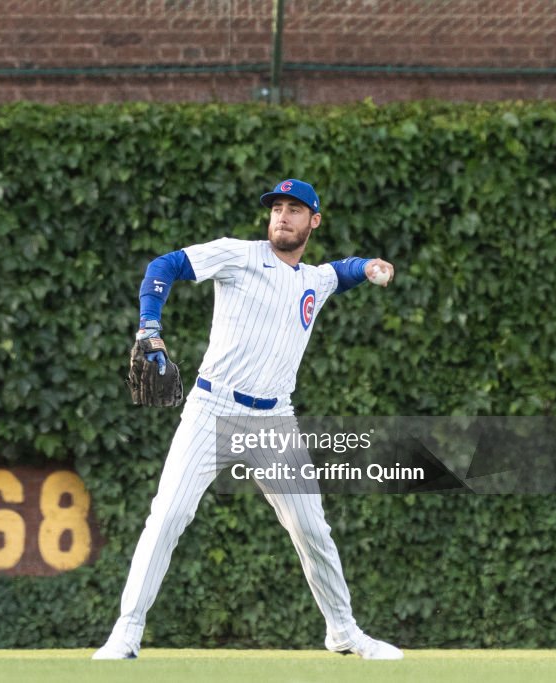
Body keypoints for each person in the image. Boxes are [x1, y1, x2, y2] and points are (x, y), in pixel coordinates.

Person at [92, 178, 403, 660]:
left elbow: (339, 273)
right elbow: (165, 265)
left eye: (295, 210)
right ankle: (126, 633)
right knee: (169, 515)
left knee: (312, 530)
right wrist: (149, 326)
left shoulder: (312, 281)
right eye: (277, 208)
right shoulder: (238, 254)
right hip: (211, 409)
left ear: (313, 221)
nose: (282, 216)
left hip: (275, 420)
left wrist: (368, 267)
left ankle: (343, 632)